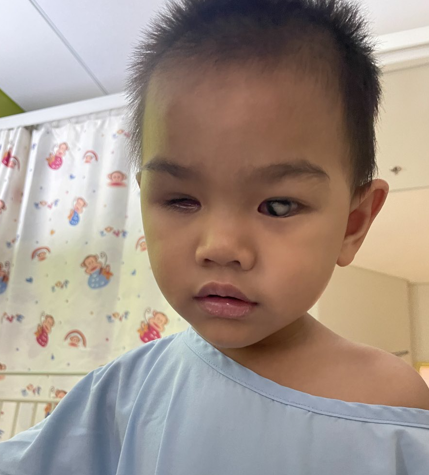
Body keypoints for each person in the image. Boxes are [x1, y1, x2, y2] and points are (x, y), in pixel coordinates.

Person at [1, 0, 429, 473]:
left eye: (278, 206)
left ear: (353, 224)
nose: (221, 247)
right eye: (181, 200)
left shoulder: (393, 405)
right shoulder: (120, 395)